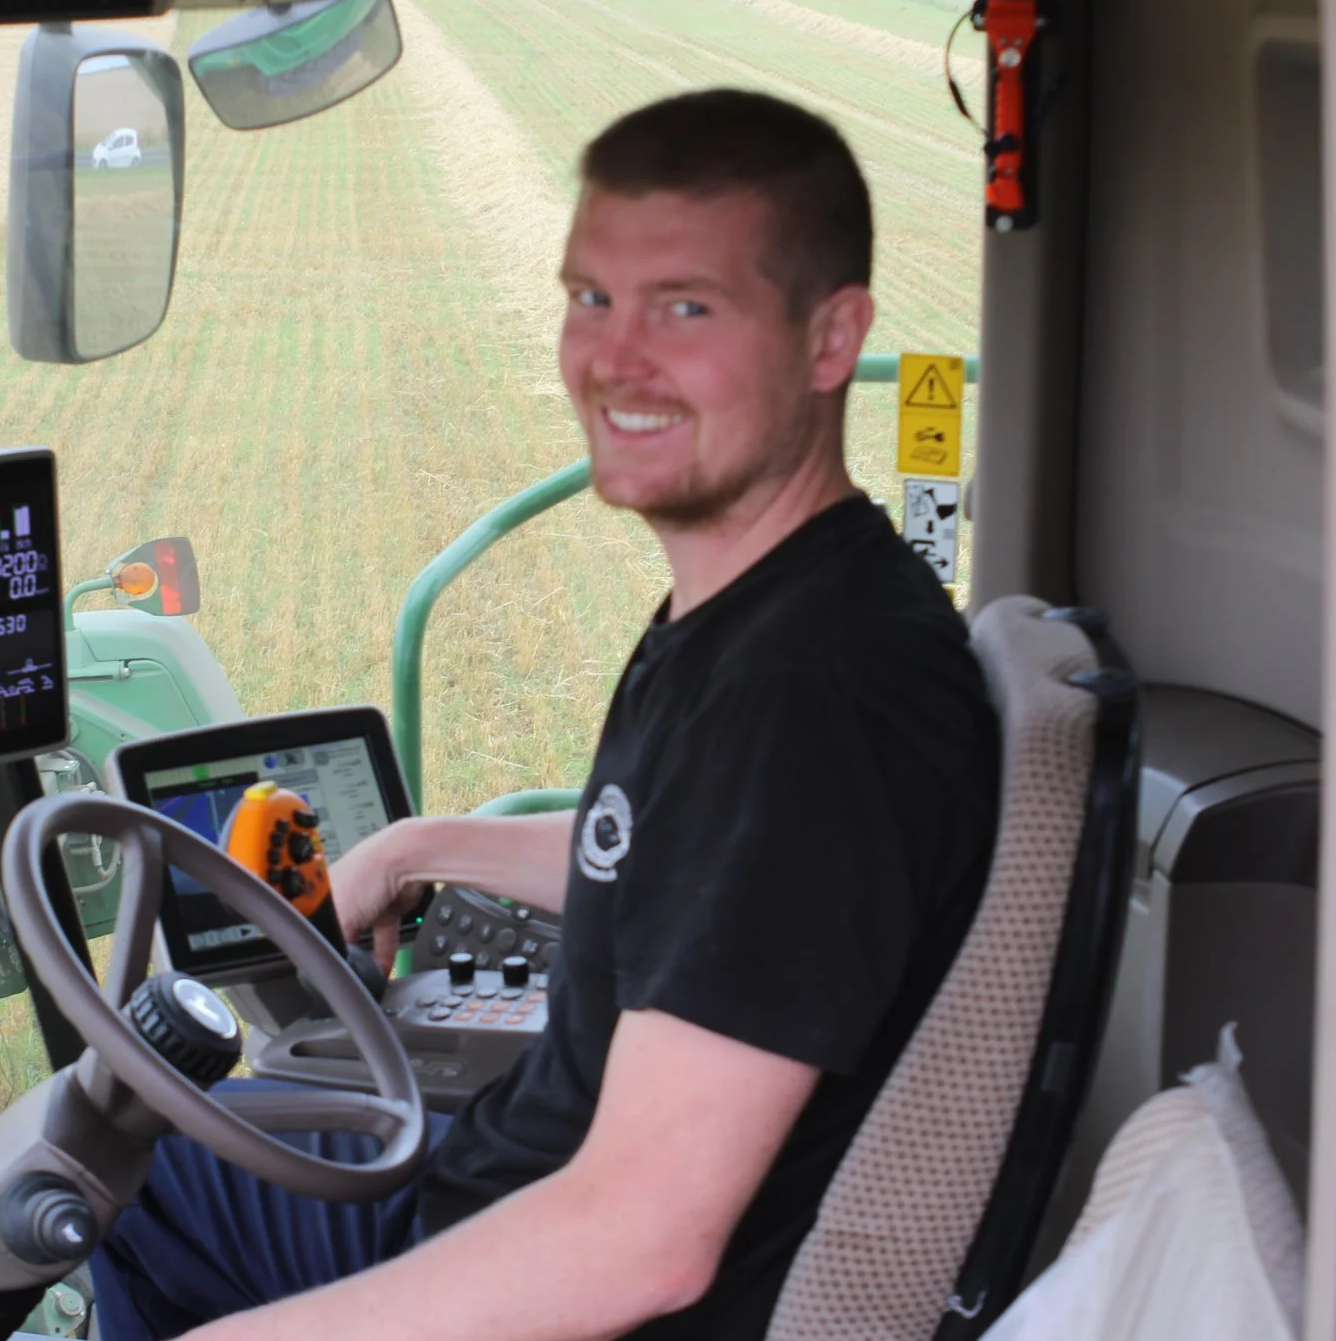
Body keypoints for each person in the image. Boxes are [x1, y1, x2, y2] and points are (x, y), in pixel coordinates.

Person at [89, 89, 1000, 1340]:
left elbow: (645, 1246)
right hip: (508, 1179)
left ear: (832, 337)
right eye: (591, 298)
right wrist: (419, 845)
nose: (615, 358)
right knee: (183, 1141)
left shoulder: (811, 698)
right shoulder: (768, 607)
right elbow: (671, 861)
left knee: (127, 1179)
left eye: (686, 307)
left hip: (568, 1268)